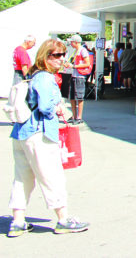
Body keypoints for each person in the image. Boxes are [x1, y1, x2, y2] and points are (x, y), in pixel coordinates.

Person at [7, 38, 89, 237]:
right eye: (57, 55)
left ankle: (18, 221)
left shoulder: (33, 75)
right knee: (51, 176)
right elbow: (45, 107)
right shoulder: (45, 78)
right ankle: (62, 218)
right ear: (46, 57)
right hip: (39, 133)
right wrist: (57, 108)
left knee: (22, 178)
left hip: (21, 132)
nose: (61, 59)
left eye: (63, 55)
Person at [66, 35, 91, 125]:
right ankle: (74, 115)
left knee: (79, 97)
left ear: (76, 42)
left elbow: (87, 63)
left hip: (80, 76)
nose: (71, 44)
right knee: (72, 97)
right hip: (74, 75)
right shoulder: (75, 51)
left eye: (72, 42)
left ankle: (79, 117)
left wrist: (74, 66)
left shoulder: (83, 50)